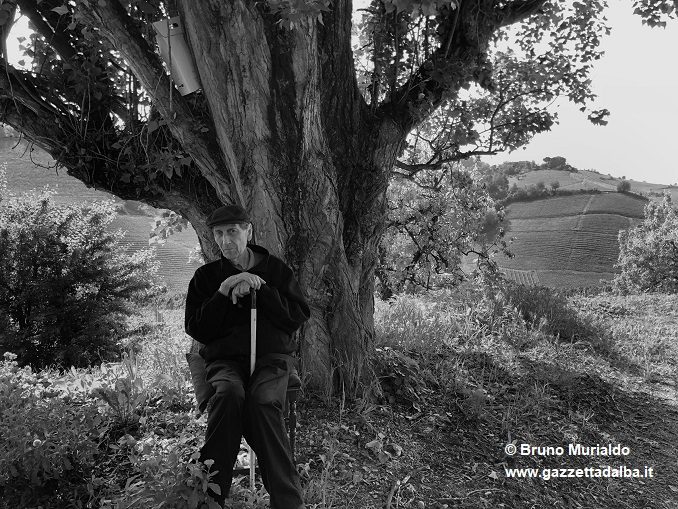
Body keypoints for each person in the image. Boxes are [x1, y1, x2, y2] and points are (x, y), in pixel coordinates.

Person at [185, 204, 309, 509]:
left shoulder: (276, 270)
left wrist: (263, 290)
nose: (226, 240)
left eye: (232, 231)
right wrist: (224, 291)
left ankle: (287, 503)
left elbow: (296, 317)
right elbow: (197, 329)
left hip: (272, 359)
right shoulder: (206, 277)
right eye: (219, 233)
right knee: (228, 396)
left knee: (263, 402)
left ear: (248, 231)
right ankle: (210, 498)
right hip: (224, 362)